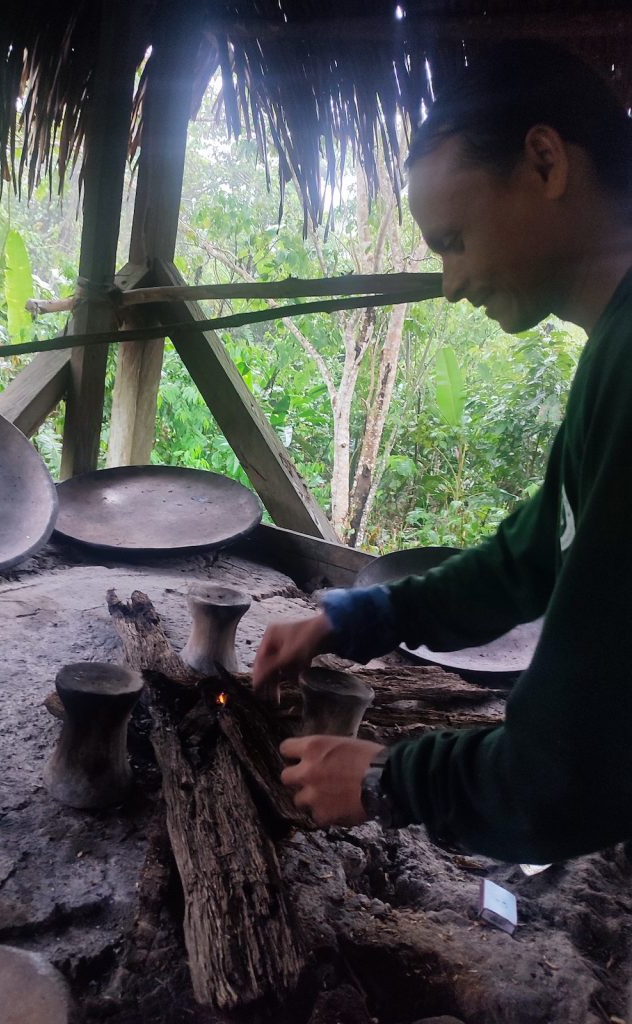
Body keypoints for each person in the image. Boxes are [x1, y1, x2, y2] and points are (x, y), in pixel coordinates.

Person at [252, 40, 632, 864]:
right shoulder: (614, 350)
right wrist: (350, 617)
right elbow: (532, 555)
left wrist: (390, 778)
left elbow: (566, 773)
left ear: (544, 160)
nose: (452, 282)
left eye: (454, 239)